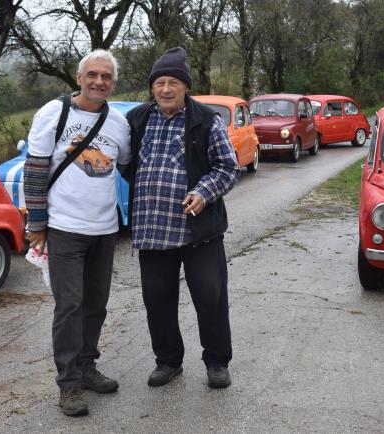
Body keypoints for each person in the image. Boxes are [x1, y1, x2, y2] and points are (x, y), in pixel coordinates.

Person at [123, 47, 240, 389]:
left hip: (198, 230)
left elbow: (228, 167)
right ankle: (168, 361)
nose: (165, 89)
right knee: (157, 300)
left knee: (210, 295)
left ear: (186, 86)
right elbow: (124, 160)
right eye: (159, 82)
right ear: (152, 87)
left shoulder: (206, 120)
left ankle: (217, 361)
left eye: (173, 82)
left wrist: (203, 193)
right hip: (152, 229)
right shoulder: (138, 120)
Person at [23, 49, 130, 417]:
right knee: (69, 306)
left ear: (113, 83)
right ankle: (68, 384)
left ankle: (87, 367)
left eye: (106, 77)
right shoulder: (54, 113)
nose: (99, 81)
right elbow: (35, 169)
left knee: (96, 304)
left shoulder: (118, 123)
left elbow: (129, 165)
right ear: (79, 77)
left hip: (105, 228)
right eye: (93, 75)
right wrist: (36, 224)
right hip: (65, 227)